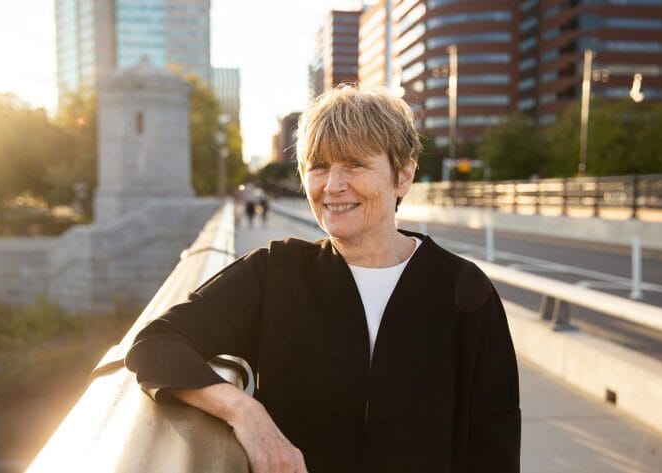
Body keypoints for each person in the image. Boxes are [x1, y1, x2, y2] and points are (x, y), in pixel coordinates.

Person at [125, 86, 520, 473]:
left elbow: (494, 448)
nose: (332, 186)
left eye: (354, 164)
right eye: (318, 166)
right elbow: (156, 343)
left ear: (402, 176)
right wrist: (244, 410)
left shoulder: (464, 291)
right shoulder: (275, 273)